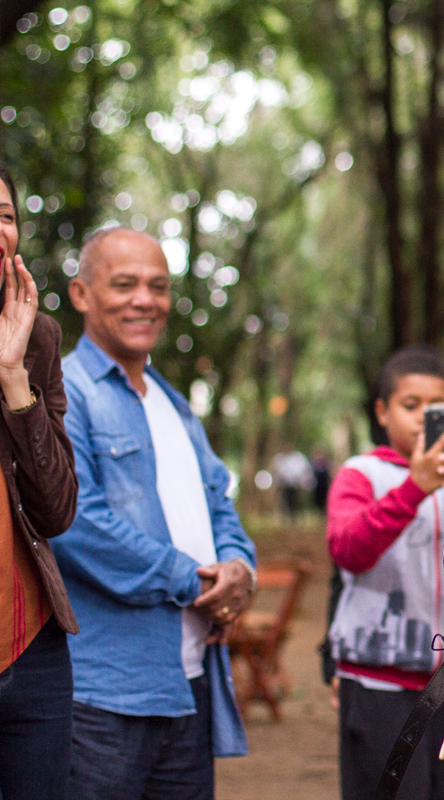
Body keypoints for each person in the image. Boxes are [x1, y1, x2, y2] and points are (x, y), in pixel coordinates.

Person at [53, 226, 257, 800]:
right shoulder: (66, 392)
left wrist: (239, 568)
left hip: (189, 684)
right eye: (124, 284)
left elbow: (220, 499)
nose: (145, 299)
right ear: (81, 294)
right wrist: (192, 579)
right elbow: (74, 519)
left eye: (158, 286)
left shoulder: (173, 404)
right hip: (104, 697)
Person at [326, 346, 444, 800]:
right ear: (382, 411)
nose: (423, 418)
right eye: (409, 405)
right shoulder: (361, 474)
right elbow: (347, 549)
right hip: (378, 680)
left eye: (435, 407)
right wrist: (413, 487)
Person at [0, 163, 80, 799]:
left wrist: (13, 378)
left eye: (4, 216)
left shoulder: (39, 338)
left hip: (31, 648)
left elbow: (56, 512)